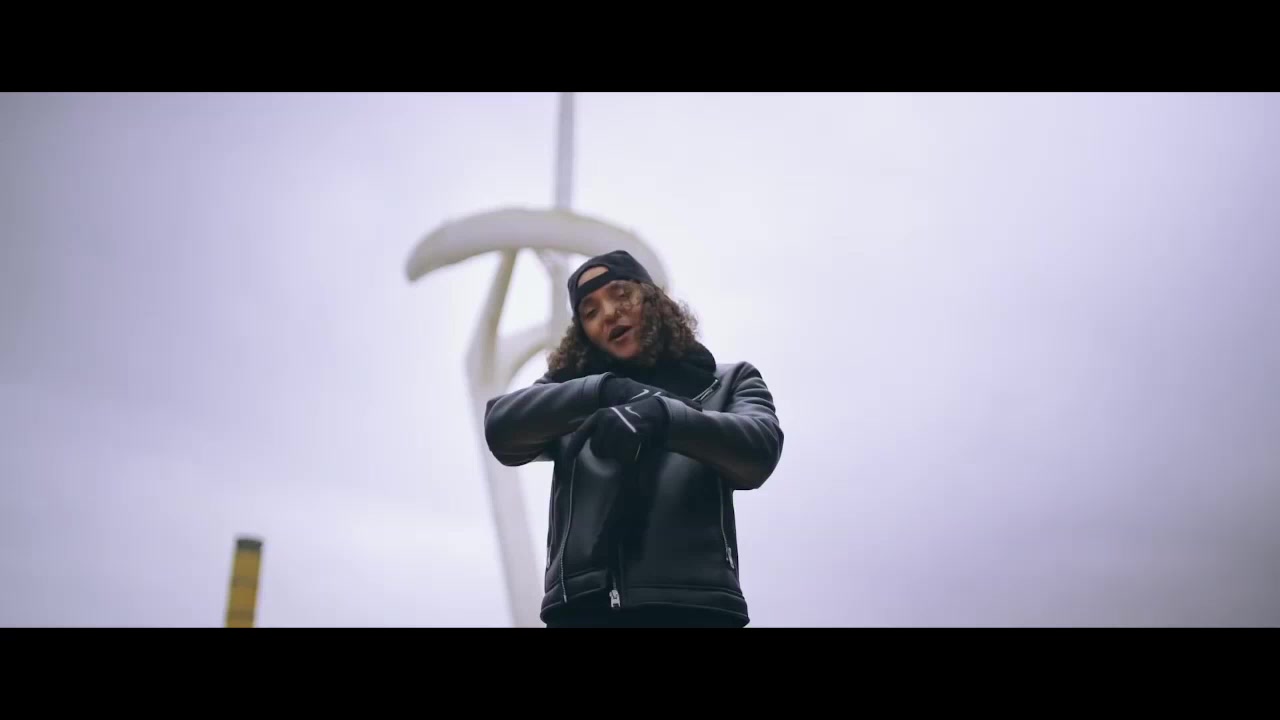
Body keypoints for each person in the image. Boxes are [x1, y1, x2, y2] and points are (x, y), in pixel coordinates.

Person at [483, 250, 784, 628]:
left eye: (622, 295)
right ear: (583, 334)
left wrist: (665, 417)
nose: (609, 313)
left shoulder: (730, 381)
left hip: (697, 608)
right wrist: (604, 392)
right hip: (583, 610)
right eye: (590, 312)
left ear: (653, 299)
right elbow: (501, 427)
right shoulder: (570, 393)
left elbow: (760, 450)